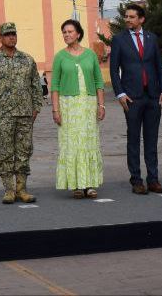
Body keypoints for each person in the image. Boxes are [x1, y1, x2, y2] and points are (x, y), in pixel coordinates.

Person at [109, 4, 162, 195]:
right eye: (126, 17)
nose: (127, 19)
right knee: (133, 139)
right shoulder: (119, 40)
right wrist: (120, 93)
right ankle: (136, 180)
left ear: (141, 19)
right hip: (131, 98)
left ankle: (153, 179)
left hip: (153, 96)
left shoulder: (152, 38)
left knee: (151, 140)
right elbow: (113, 69)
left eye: (132, 17)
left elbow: (159, 67)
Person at [0, 22, 42, 204]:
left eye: (13, 34)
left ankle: (21, 189)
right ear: (0, 38)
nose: (11, 37)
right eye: (7, 35)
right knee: (5, 153)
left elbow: (36, 86)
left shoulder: (27, 60)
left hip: (24, 114)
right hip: (2, 115)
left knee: (24, 152)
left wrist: (36, 108)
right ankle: (9, 189)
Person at [50, 20, 105, 199]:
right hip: (68, 107)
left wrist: (101, 105)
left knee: (89, 143)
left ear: (78, 34)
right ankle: (76, 185)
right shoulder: (60, 57)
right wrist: (55, 110)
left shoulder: (90, 55)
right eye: (64, 32)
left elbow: (98, 82)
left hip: (88, 105)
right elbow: (55, 85)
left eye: (70, 31)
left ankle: (89, 184)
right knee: (72, 144)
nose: (66, 35)